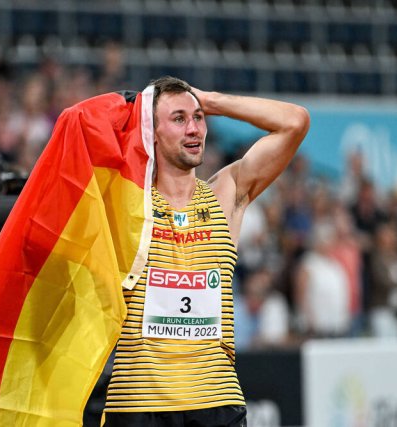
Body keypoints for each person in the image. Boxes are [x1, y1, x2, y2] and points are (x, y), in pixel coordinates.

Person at [102, 76, 309, 427]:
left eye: (198, 118)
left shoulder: (225, 195)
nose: (194, 128)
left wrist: (211, 100)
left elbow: (295, 121)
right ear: (151, 131)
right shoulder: (124, 204)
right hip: (138, 403)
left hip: (216, 402)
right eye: (179, 119)